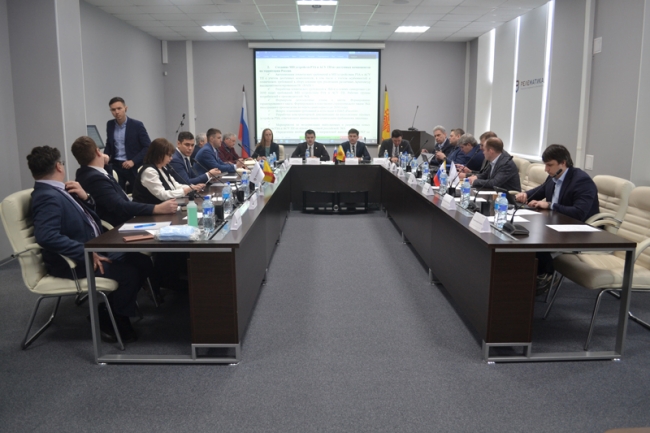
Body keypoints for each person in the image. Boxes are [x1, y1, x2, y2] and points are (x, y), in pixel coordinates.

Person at [27, 146, 152, 343]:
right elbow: (46, 236)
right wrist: (85, 252)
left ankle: (110, 309)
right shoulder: (47, 196)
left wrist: (86, 198)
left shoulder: (59, 189)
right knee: (129, 274)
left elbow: (86, 217)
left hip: (93, 249)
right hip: (74, 262)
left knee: (142, 262)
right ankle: (111, 320)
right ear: (59, 166)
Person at [515, 144, 600, 293]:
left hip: (579, 228)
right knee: (523, 233)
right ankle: (533, 274)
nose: (546, 169)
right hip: (555, 222)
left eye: (549, 165)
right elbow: (541, 190)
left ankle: (545, 274)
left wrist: (550, 205)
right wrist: (526, 195)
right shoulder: (554, 176)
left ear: (563, 163)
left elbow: (579, 213)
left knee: (535, 237)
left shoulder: (581, 180)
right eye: (545, 165)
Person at [72, 136, 177, 228]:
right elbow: (120, 206)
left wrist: (106, 164)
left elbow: (110, 186)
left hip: (128, 217)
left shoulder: (91, 173)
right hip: (121, 225)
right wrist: (157, 208)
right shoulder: (95, 179)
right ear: (98, 151)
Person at [133, 138, 204, 205]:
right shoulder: (149, 171)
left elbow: (174, 185)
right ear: (160, 155)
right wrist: (185, 190)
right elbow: (162, 194)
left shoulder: (162, 168)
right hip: (147, 211)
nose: (171, 158)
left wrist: (192, 187)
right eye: (169, 155)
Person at [104, 97, 151, 193]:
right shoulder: (110, 125)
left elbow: (147, 146)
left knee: (138, 193)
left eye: (119, 108)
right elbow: (109, 144)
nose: (116, 112)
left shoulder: (137, 125)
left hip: (133, 166)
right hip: (116, 165)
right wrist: (104, 157)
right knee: (117, 193)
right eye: (113, 110)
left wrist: (133, 161)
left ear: (125, 108)